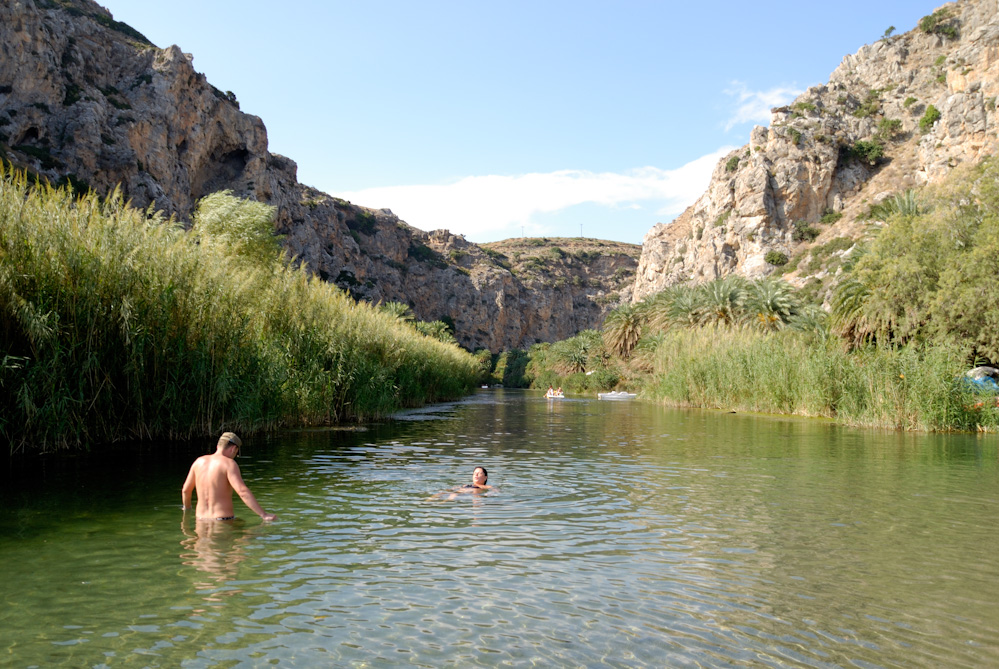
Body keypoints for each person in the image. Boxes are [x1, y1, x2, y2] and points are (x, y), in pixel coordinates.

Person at [182, 432, 277, 521]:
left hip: (201, 519)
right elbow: (242, 491)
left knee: (240, 523)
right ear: (234, 449)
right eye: (236, 453)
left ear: (218, 446)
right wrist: (264, 515)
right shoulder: (229, 464)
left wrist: (187, 508)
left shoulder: (198, 462)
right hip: (222, 520)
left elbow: (186, 490)